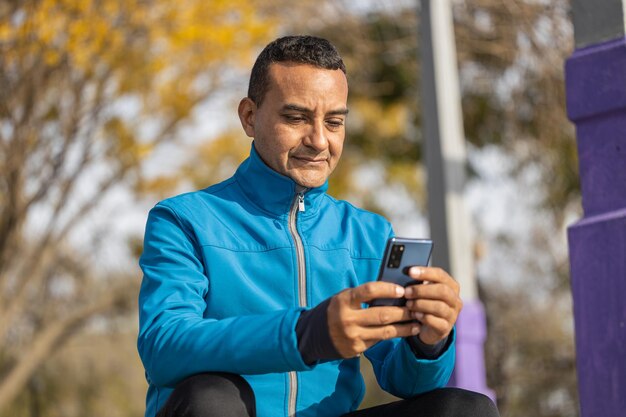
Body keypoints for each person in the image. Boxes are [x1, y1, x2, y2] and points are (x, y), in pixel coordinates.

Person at [137, 35, 499, 417]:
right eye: (295, 118)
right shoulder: (184, 219)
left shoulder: (369, 234)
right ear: (249, 116)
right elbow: (164, 346)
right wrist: (307, 334)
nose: (319, 140)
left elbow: (406, 382)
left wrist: (429, 343)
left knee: (466, 409)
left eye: (334, 122)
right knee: (210, 396)